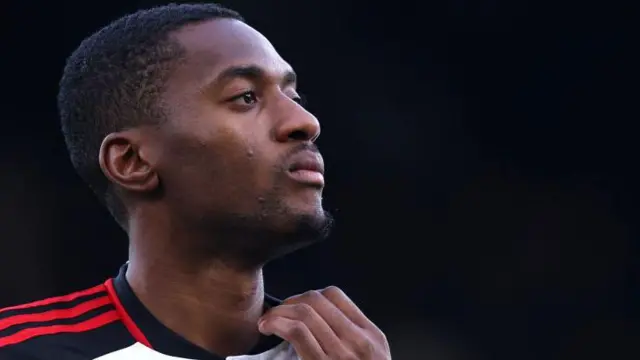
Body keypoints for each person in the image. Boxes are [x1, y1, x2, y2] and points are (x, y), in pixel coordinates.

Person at [0, 3, 390, 360]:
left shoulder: (343, 352)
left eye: (294, 96)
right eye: (246, 97)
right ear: (132, 161)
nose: (305, 122)